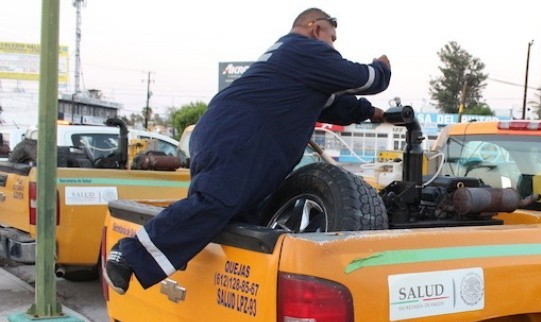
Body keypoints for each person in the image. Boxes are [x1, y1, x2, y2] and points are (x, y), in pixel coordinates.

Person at [105, 8, 391, 294]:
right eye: (333, 37)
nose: (334, 46)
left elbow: (336, 105)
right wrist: (382, 69)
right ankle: (128, 254)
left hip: (230, 132)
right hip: (238, 134)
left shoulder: (296, 68)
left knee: (243, 219)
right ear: (316, 29)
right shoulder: (304, 49)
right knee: (216, 201)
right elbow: (363, 78)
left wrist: (375, 114)